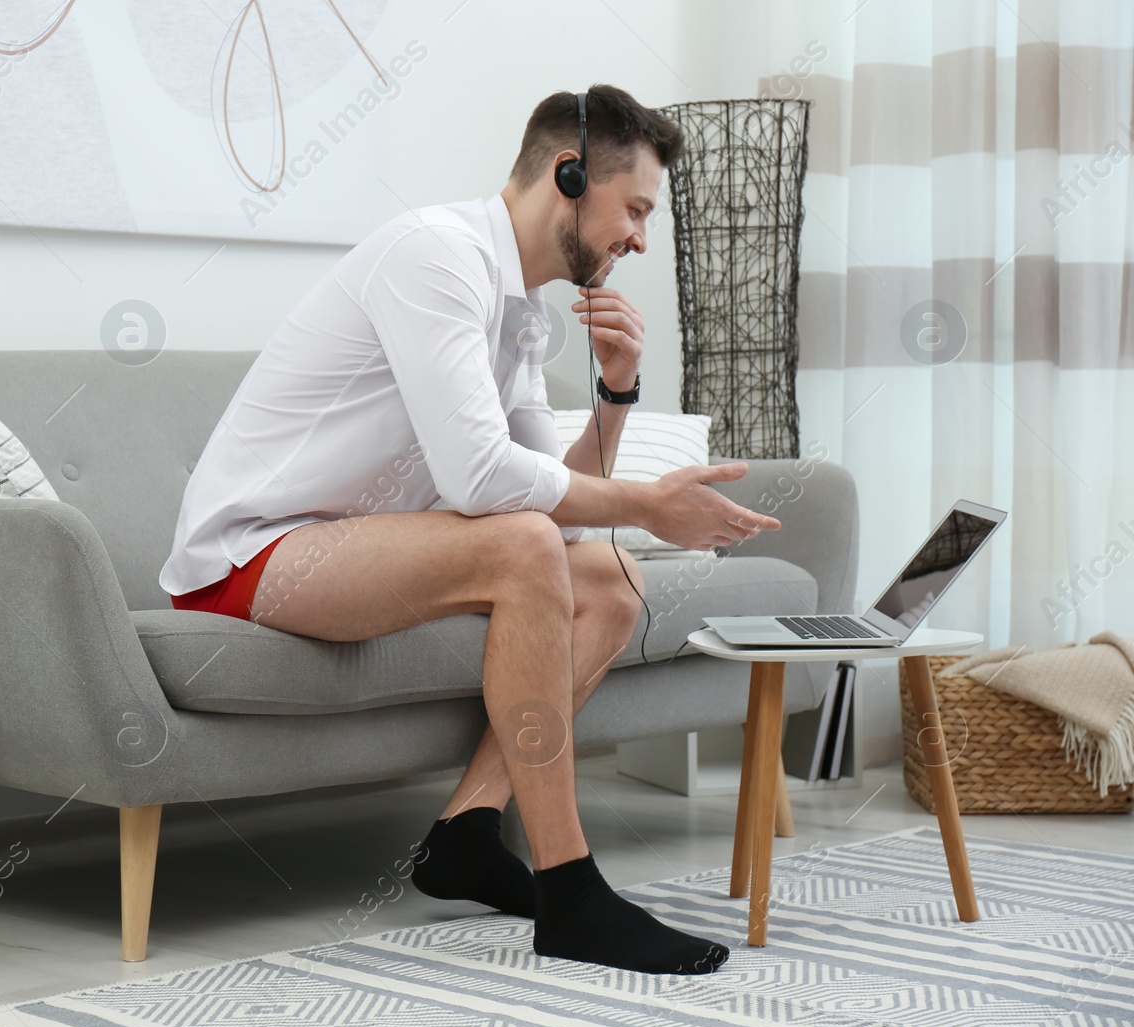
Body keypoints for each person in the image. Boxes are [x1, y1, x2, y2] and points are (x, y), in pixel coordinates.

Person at [158, 84, 781, 975]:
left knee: (608, 579)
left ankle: (467, 831)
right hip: (252, 556)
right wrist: (649, 505)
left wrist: (615, 391)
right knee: (523, 542)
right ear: (569, 175)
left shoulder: (521, 309)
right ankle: (571, 893)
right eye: (635, 208)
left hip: (363, 550)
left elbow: (555, 492)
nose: (640, 238)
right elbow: (485, 483)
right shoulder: (436, 258)